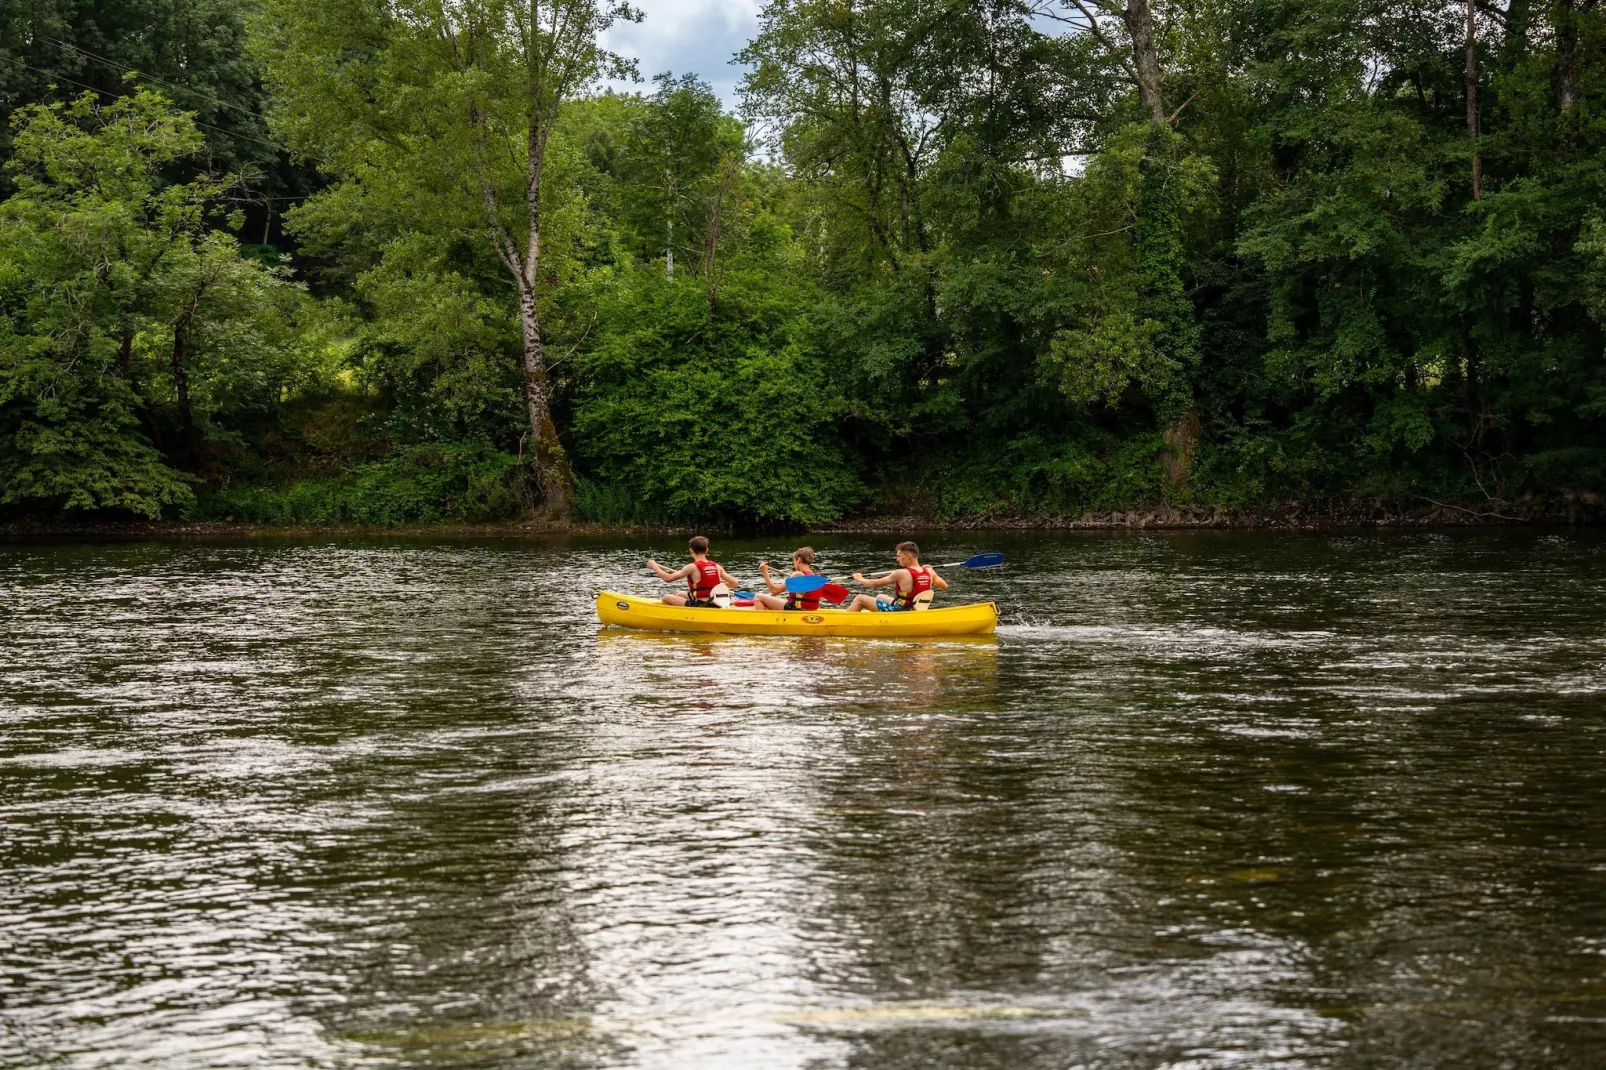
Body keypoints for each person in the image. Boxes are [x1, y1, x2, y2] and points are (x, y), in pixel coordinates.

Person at [847, 541, 948, 612]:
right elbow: (945, 587)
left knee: (860, 598)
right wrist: (933, 572)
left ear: (908, 556)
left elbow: (875, 584)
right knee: (879, 596)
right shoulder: (930, 572)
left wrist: (859, 578)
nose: (897, 559)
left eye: (899, 556)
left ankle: (844, 622)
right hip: (914, 608)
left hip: (900, 611)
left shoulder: (901, 573)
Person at [648, 536, 743, 607]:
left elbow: (668, 578)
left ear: (691, 550)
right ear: (706, 550)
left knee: (666, 597)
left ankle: (684, 618)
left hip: (703, 605)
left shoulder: (691, 567)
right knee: (679, 594)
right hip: (718, 602)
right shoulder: (717, 566)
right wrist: (717, 586)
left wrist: (654, 566)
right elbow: (734, 583)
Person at [753, 547, 822, 612]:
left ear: (798, 560)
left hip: (796, 611)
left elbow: (774, 591)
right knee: (780, 600)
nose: (794, 564)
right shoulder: (817, 576)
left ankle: (765, 623)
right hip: (809, 610)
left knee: (758, 597)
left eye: (794, 561)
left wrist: (764, 572)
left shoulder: (797, 575)